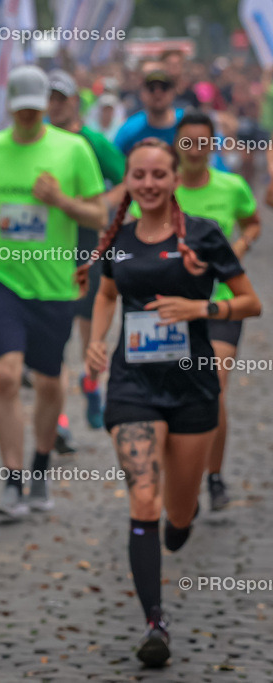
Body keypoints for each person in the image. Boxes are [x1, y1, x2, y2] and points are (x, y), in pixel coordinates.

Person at [83, 138, 261, 667]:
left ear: (174, 178)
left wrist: (199, 306)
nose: (149, 184)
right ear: (130, 181)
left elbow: (251, 302)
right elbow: (107, 293)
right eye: (140, 175)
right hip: (133, 384)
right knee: (143, 497)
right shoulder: (118, 237)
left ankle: (181, 523)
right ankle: (154, 622)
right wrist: (97, 337)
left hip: (192, 386)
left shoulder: (204, 236)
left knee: (178, 515)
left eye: (159, 175)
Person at [0, 65, 107, 520]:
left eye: (34, 111)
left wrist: (62, 202)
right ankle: (11, 479)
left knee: (49, 381)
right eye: (20, 111)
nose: (27, 118)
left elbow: (100, 216)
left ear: (45, 108)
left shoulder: (73, 149)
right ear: (10, 107)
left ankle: (41, 465)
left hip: (56, 285)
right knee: (5, 374)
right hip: (2, 279)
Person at [159, 111, 260, 510]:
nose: (196, 149)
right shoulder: (160, 189)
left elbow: (252, 223)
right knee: (170, 393)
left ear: (213, 144)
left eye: (204, 142)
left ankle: (213, 476)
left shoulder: (232, 186)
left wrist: (240, 247)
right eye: (188, 142)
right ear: (177, 145)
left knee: (213, 385)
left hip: (221, 304)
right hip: (170, 308)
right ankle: (182, 483)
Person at [47, 69, 127, 432]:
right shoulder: (39, 141)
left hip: (87, 245)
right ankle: (59, 417)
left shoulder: (93, 141)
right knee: (56, 334)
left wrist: (102, 204)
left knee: (88, 330)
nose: (54, 106)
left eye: (61, 99)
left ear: (75, 103)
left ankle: (93, 387)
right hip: (47, 248)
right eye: (49, 98)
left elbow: (128, 178)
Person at [114, 70, 184, 154]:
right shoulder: (129, 130)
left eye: (164, 88)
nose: (157, 93)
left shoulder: (187, 124)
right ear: (142, 94)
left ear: (173, 92)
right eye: (151, 88)